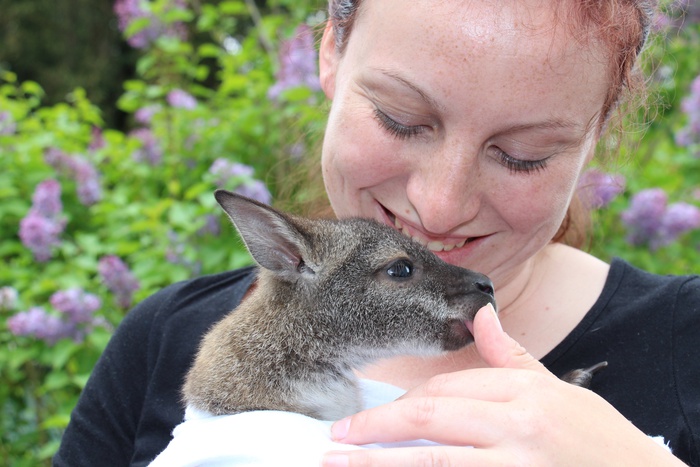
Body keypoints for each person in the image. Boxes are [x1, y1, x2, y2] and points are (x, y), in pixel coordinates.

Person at [54, 0, 700, 466]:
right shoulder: (165, 339)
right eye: (400, 119)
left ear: (600, 129)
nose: (441, 206)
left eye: (523, 154)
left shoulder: (685, 345)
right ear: (331, 46)